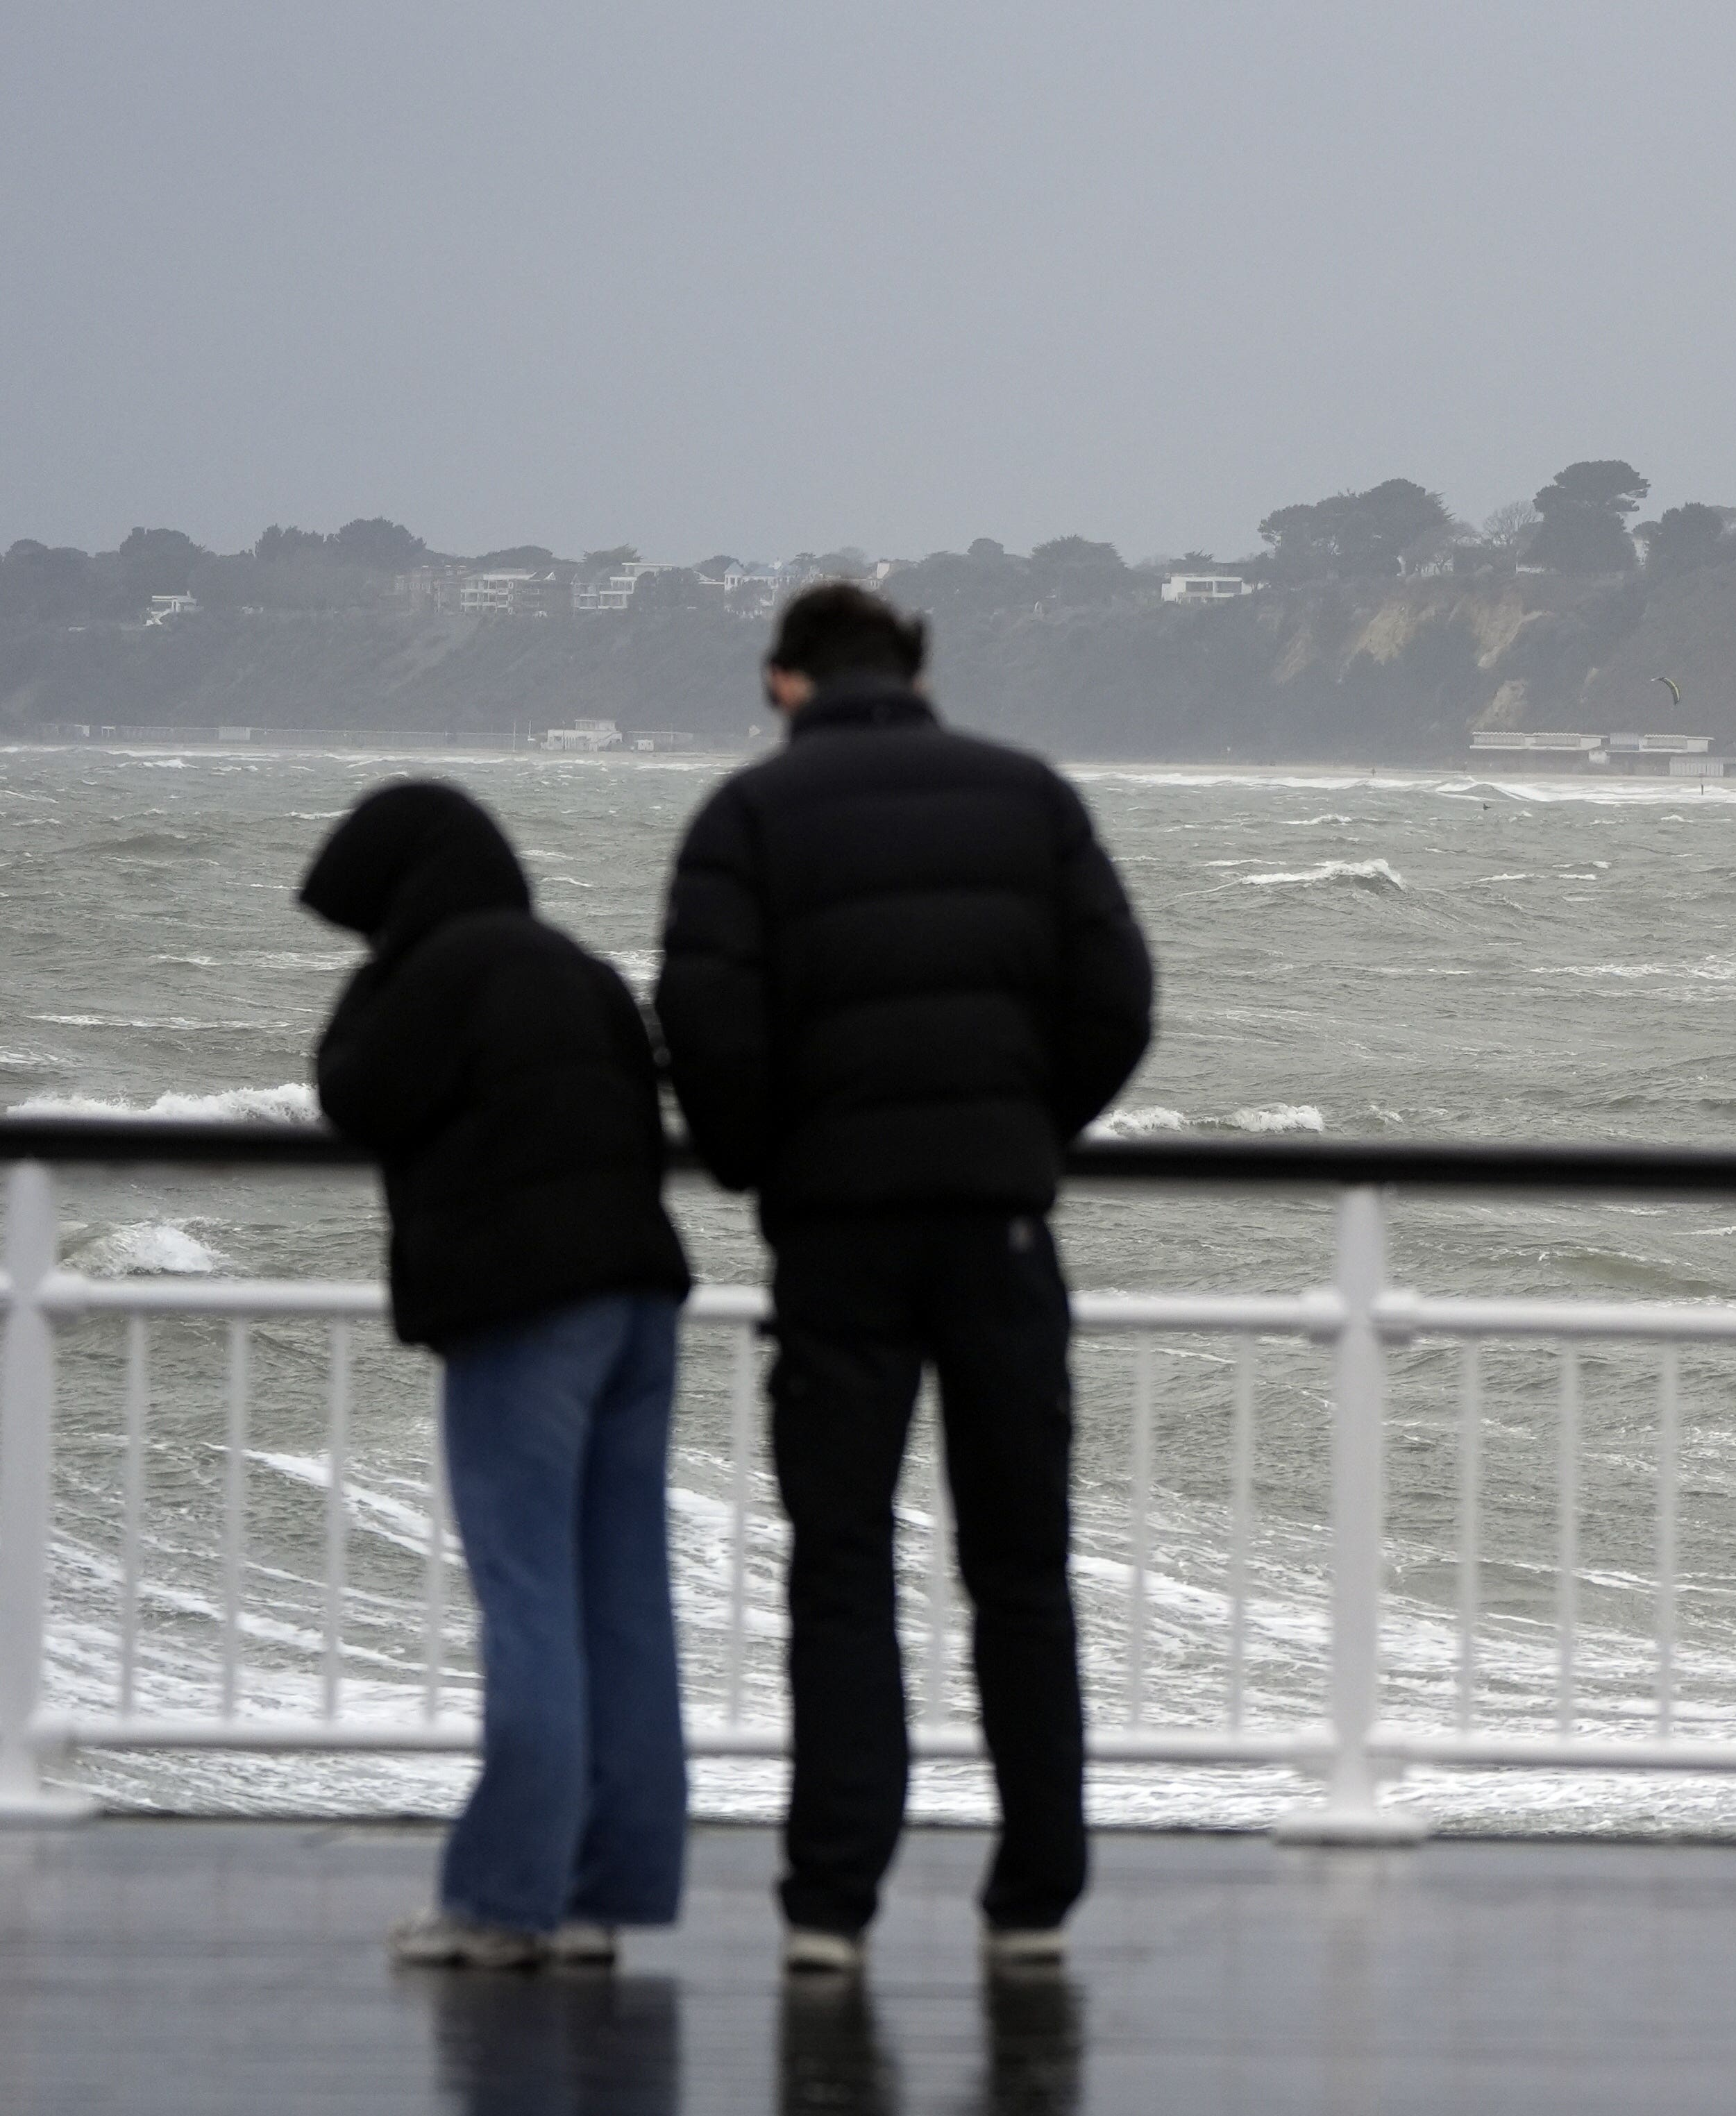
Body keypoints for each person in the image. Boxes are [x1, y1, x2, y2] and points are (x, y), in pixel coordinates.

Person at [657, 583, 1154, 1974]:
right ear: (919, 668)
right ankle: (1034, 1900)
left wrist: (770, 1162)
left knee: (842, 1565)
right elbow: (1119, 999)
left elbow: (702, 1019)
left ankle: (832, 1901)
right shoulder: (1028, 797)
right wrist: (1022, 1129)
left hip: (837, 1239)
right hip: (998, 1229)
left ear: (782, 683)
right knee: (1019, 1568)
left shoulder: (746, 821)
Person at [299, 781, 695, 1969]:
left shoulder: (435, 971)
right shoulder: (575, 966)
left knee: (526, 1604)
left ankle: (500, 1901)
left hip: (528, 1316)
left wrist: (382, 971)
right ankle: (599, 1896)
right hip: (642, 1304)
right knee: (622, 1606)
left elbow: (352, 1092)